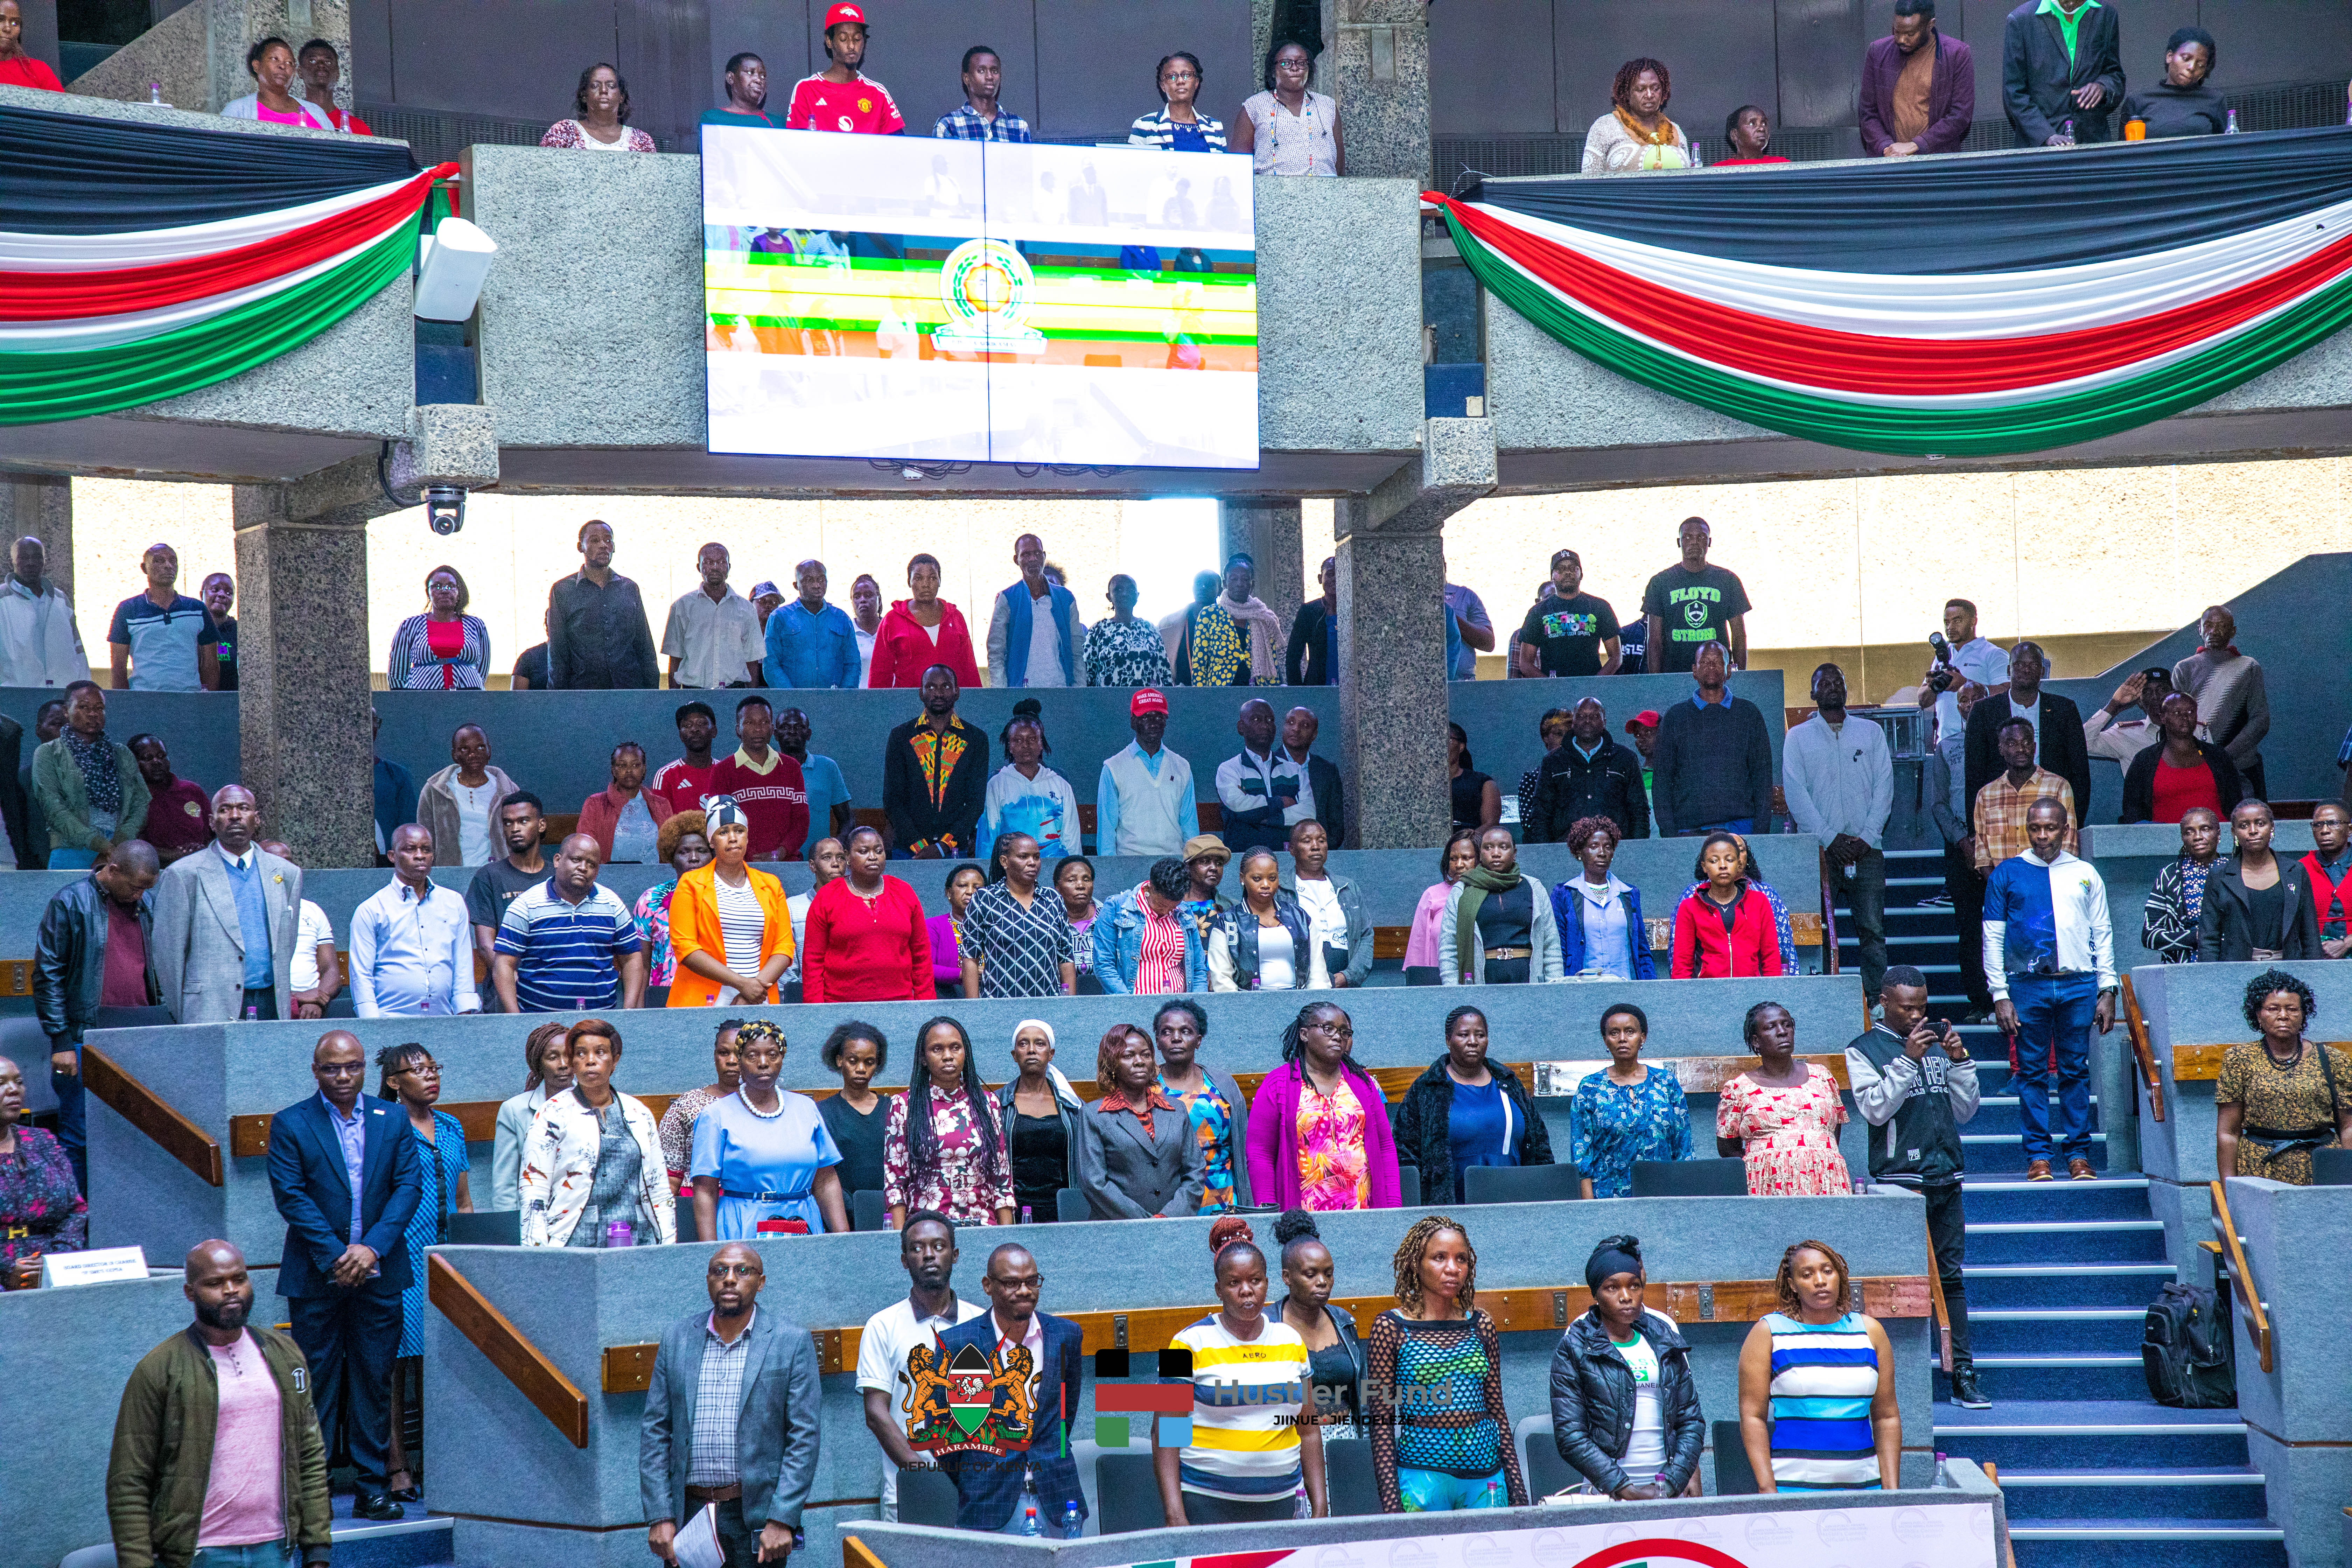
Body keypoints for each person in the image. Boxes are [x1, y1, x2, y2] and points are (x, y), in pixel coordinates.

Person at [266, 1032, 422, 1522]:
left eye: (352, 1066)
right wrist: (339, 1256)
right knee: (315, 1384)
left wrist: (371, 1248)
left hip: (380, 1270)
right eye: (332, 1068)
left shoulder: (392, 1116)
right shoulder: (292, 1122)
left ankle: (373, 1488)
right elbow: (291, 1196)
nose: (343, 1076)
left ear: (364, 1069)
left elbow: (408, 1186)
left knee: (375, 1381)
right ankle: (313, 1491)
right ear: (316, 1070)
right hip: (317, 1275)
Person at [106, 1239, 333, 1568]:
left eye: (239, 1279)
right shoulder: (159, 1368)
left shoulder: (285, 1355)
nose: (231, 1290)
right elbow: (129, 1481)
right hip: (199, 1553)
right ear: (190, 1293)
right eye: (215, 1283)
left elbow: (309, 1455)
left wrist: (318, 1548)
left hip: (275, 1548)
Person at [1846, 966, 1987, 1408]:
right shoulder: (1863, 1049)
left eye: (1922, 1007)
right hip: (1899, 1182)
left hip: (1947, 1175)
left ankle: (1963, 1373)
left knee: (1952, 1278)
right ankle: (1896, 1385)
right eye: (1907, 1008)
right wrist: (1908, 1060)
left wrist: (1960, 1061)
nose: (1916, 1015)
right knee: (1896, 1284)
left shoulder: (1938, 1043)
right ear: (1884, 1003)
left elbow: (1966, 1111)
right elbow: (1875, 1109)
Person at [639, 1243, 821, 1567]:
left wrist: (783, 1518)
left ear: (761, 1282)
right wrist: (660, 1515)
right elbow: (655, 1431)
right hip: (689, 1515)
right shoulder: (677, 1339)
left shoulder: (790, 1341)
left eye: (743, 1271)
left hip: (757, 1518)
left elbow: (804, 1438)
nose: (730, 1279)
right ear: (708, 1280)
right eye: (720, 1270)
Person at [1159, 1217, 1327, 1525]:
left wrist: (1321, 1507)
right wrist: (1175, 1514)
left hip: (1285, 1503)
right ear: (1219, 1290)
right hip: (1206, 1502)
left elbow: (1308, 1429)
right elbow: (1167, 1433)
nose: (1247, 1291)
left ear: (1268, 1283)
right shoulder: (1185, 1344)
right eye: (1234, 1283)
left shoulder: (1291, 1340)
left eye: (1256, 1280)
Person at [1984, 797, 2117, 1181]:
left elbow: (2102, 932)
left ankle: (2078, 1156)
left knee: (2075, 1070)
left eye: (2050, 828)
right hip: (2027, 986)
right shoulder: (2007, 874)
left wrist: (2108, 988)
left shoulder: (2086, 873)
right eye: (2035, 828)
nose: (2042, 836)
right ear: (2027, 829)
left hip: (2079, 984)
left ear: (2065, 829)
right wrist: (1999, 993)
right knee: (2031, 1073)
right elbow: (1992, 937)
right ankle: (2039, 1157)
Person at [1367, 1216, 1527, 1512]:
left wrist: (1517, 1488)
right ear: (1416, 1263)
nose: (1453, 1268)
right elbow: (1381, 1423)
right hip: (1421, 1479)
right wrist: (1391, 1505)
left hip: (1485, 1477)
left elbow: (1497, 1410)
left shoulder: (1481, 1324)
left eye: (1461, 1259)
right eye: (1439, 1258)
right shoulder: (1390, 1327)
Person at [932, 1242, 1088, 1532]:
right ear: (988, 1286)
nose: (1025, 1291)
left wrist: (1053, 1450)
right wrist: (976, 1473)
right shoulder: (957, 1344)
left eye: (1032, 1281)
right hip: (989, 1501)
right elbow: (942, 1433)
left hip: (1059, 1497)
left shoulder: (1066, 1335)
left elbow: (1066, 1414)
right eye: (1012, 1283)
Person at [33, 838, 159, 1189]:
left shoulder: (147, 903)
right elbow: (48, 974)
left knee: (137, 1138)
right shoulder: (70, 902)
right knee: (80, 1136)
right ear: (112, 870)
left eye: (147, 889)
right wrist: (60, 1041)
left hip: (140, 1031)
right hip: (82, 1037)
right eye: (135, 887)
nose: (140, 895)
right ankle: (77, 1216)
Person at [373, 1044, 468, 1500]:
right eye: (419, 1070)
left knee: (438, 1364)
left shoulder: (451, 1127)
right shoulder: (384, 1128)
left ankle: (440, 1462)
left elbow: (464, 1200)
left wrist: (469, 1256)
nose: (431, 1076)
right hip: (400, 1257)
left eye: (434, 1068)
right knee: (395, 1366)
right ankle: (397, 1466)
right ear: (394, 1082)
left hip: (446, 1257)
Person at [1549, 1235, 1705, 1499]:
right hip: (1607, 1493)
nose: (1626, 1297)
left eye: (1634, 1286)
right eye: (1612, 1288)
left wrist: (1671, 1483)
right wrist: (1625, 1489)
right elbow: (1571, 1434)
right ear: (1596, 1293)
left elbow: (1690, 1419)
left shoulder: (1663, 1336)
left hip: (1667, 1490)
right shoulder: (1576, 1345)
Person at [1738, 1240, 1900, 1492]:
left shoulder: (1870, 1331)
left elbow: (1886, 1418)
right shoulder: (1769, 1333)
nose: (1820, 1281)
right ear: (1792, 1285)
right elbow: (1753, 1417)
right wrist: (1768, 1490)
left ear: (1840, 1276)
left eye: (1828, 1271)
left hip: (1865, 1491)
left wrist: (1891, 1494)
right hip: (1792, 1492)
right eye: (1807, 1275)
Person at [858, 1213, 982, 1520]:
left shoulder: (982, 1322)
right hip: (911, 1493)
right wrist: (925, 1476)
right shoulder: (882, 1326)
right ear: (904, 1261)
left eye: (939, 1246)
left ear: (955, 1255)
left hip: (979, 1491)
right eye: (917, 1248)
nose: (929, 1255)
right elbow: (876, 1415)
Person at [1783, 663, 1894, 996]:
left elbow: (1885, 787)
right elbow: (1796, 794)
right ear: (1813, 693)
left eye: (1838, 682)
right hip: (1820, 852)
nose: (1832, 687)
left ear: (1846, 690)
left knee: (1872, 931)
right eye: (1824, 683)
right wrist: (1830, 839)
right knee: (1818, 930)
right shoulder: (1798, 737)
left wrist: (1867, 837)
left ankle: (1876, 1000)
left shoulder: (1871, 733)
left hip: (1867, 850)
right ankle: (1823, 998)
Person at [149, 787, 299, 1023]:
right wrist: (183, 1013)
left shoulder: (286, 873)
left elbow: (287, 943)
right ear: (212, 822)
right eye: (225, 810)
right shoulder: (184, 874)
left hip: (271, 1001)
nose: (235, 816)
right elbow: (169, 954)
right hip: (209, 1006)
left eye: (243, 808)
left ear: (257, 819)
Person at [519, 1018, 674, 1247]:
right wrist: (538, 1254)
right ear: (572, 1062)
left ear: (615, 1060)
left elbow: (659, 1186)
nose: (590, 1061)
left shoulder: (639, 1113)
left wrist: (668, 1244)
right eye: (581, 1054)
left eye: (600, 1053)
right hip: (572, 1241)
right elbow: (534, 1189)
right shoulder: (552, 1113)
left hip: (639, 1239)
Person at [688, 1020, 847, 1241]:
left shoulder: (806, 1107)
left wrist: (843, 1240)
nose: (763, 1063)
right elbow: (705, 1190)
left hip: (804, 1222)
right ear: (739, 1061)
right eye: (752, 1056)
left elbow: (826, 1179)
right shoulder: (715, 1116)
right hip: (744, 1225)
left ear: (782, 1058)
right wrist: (710, 1250)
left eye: (773, 1055)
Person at [1246, 1002, 1402, 1211]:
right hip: (1301, 1216)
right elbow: (1260, 1155)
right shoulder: (1277, 1084)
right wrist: (1268, 1212)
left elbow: (1386, 1148)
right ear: (1304, 1034)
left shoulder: (1363, 1084)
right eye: (1328, 1029)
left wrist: (1393, 1209)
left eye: (1344, 1032)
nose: (1338, 1037)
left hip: (1364, 1212)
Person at [1395, 1006, 1552, 1205]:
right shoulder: (1428, 1089)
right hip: (1450, 1209)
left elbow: (1540, 1146)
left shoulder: (1509, 1084)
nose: (1473, 1042)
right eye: (1464, 1035)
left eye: (1480, 1035)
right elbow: (1405, 1154)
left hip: (1515, 1202)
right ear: (1448, 1040)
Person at [2216, 969, 2352, 1186]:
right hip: (2260, 1169)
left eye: (2292, 1009)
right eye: (2273, 1009)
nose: (2283, 1016)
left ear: (2304, 1015)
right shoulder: (2239, 1059)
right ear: (2259, 1015)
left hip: (2322, 1167)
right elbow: (2228, 1133)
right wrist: (2229, 1190)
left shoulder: (2334, 1060)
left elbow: (2348, 1128)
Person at [492, 834, 648, 1013]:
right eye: (576, 860)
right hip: (539, 1020)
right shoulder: (526, 905)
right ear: (557, 861)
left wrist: (628, 1013)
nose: (583, 868)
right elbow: (504, 965)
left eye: (592, 864)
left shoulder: (612, 905)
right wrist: (515, 1018)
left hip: (600, 1021)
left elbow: (632, 959)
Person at [884, 1016, 1015, 1227]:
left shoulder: (988, 1103)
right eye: (937, 1049)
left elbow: (1002, 1181)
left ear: (966, 1053)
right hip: (927, 1230)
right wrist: (900, 1241)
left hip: (982, 1226)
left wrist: (1005, 1237)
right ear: (923, 1058)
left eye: (956, 1048)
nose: (948, 1056)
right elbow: (895, 1184)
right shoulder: (903, 1105)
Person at [666, 796, 794, 1008]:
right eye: (723, 832)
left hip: (758, 998)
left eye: (739, 830)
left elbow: (784, 946)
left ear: (747, 837)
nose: (733, 838)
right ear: (711, 841)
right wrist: (743, 985)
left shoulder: (771, 884)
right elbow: (686, 948)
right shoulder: (690, 883)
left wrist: (752, 991)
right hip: (703, 1000)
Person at [1716, 1002, 1849, 1194]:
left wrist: (1813, 1156)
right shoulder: (1738, 1088)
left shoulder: (1823, 1077)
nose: (1782, 1032)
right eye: (1771, 1027)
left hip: (1827, 1181)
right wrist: (1768, 1163)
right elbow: (1727, 1149)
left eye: (1787, 1025)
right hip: (1767, 1187)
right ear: (1756, 1041)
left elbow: (1833, 1131)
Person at [1077, 1024, 1208, 1219]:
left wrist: (1167, 1217)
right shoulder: (1093, 1115)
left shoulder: (1177, 1110)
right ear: (1112, 1064)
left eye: (1146, 1055)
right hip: (1118, 1228)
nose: (1139, 1062)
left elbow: (1195, 1172)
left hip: (1174, 1225)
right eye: (1128, 1056)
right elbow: (1094, 1184)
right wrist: (1144, 1223)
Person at [349, 824, 480, 1018]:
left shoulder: (453, 902)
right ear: (392, 856)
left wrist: (464, 1014)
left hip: (444, 1018)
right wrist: (372, 1025)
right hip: (390, 1020)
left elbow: (462, 963)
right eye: (410, 849)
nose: (420, 856)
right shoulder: (372, 909)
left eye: (426, 850)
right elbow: (361, 975)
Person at [1652, 642, 1773, 838]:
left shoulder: (1749, 714)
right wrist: (1671, 835)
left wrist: (1760, 833)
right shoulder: (1675, 717)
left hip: (1742, 829)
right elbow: (1662, 782)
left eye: (1717, 662)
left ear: (1729, 670)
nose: (1711, 666)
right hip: (1688, 831)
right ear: (1694, 671)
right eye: (1705, 662)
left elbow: (1763, 778)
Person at [1570, 1005, 1691, 1199]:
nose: (1622, 1039)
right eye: (1614, 1033)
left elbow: (1684, 1148)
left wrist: (1684, 1202)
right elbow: (1581, 1155)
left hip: (1663, 1198)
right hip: (1607, 1200)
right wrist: (1589, 1208)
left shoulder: (1666, 1083)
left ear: (1643, 1038)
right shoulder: (1590, 1088)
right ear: (1606, 1040)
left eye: (1630, 1032)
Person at [801, 826, 930, 1002]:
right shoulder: (827, 896)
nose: (873, 857)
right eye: (864, 852)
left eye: (879, 851)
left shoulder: (904, 892)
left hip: (901, 1004)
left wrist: (927, 1006)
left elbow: (922, 955)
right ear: (848, 857)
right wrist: (815, 1010)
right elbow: (813, 961)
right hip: (840, 1006)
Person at [34, 682, 147, 868]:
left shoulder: (122, 754)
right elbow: (53, 807)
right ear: (67, 711)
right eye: (84, 707)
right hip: (72, 848)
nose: (93, 714)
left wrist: (121, 839)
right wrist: (99, 844)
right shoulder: (49, 753)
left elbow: (141, 801)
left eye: (99, 708)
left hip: (119, 848)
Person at [882, 666, 987, 860]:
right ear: (921, 693)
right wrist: (921, 847)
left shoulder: (976, 739)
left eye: (946, 686)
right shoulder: (901, 737)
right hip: (908, 851)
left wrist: (942, 848)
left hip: (954, 851)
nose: (938, 693)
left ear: (957, 692)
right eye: (930, 687)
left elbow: (976, 804)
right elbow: (892, 800)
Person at [2198, 799, 2320, 964]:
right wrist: (2210, 976)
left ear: (2272, 827)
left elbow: (2310, 934)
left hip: (2289, 970)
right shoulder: (2219, 876)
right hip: (2236, 972)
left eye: (2260, 824)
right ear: (2234, 832)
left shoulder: (2296, 871)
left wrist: (2315, 973)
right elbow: (2209, 939)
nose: (2253, 831)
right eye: (2244, 826)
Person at [0, 1052, 85, 1287]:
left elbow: (75, 1210)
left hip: (51, 1274)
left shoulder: (42, 1141)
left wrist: (57, 1263)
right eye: (1, 1083)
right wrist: (6, 1271)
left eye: (19, 1082)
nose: (13, 1090)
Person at [959, 833, 1078, 1000]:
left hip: (1049, 1003)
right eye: (1023, 857)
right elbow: (971, 958)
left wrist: (1071, 1006)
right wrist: (975, 1008)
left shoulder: (1053, 899)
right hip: (998, 1004)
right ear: (1004, 862)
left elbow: (1065, 957)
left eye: (1037, 857)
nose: (1032, 863)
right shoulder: (985, 899)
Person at [1440, 825, 1563, 985]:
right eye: (1488, 848)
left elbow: (1551, 945)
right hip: (1481, 984)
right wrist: (1452, 990)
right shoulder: (1462, 891)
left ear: (1514, 853)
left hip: (1530, 981)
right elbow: (1449, 948)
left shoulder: (1534, 888)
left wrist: (1555, 988)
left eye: (1504, 847)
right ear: (1480, 854)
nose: (1496, 853)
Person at [548, 519, 658, 689]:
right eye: (594, 541)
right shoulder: (563, 590)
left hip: (630, 689)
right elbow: (558, 651)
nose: (603, 545)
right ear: (580, 547)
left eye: (608, 540)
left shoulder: (629, 588)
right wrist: (558, 697)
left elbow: (644, 644)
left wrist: (653, 691)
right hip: (584, 691)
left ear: (614, 547)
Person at [2172, 606, 2270, 798]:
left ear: (2233, 631)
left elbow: (2261, 720)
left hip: (2243, 765)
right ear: (2200, 630)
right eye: (2209, 625)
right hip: (2198, 765)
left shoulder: (2249, 667)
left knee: (2249, 815)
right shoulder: (2184, 669)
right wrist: (2199, 757)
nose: (2215, 631)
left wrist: (2225, 756)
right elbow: (2176, 721)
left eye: (2222, 626)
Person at [1861, 0, 1976, 156]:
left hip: (1937, 159)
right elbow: (1868, 113)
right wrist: (1888, 148)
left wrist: (1917, 145)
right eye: (1897, 32)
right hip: (1888, 160)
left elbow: (1960, 115)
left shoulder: (1957, 54)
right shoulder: (1878, 52)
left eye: (1910, 34)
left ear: (1930, 25)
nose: (1901, 40)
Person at [2002, 0, 2124, 146]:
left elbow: (2115, 74)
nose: (2071, 3)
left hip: (2093, 142)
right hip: (2040, 148)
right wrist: (2047, 135)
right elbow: (2014, 93)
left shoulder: (2106, 14)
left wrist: (2103, 86)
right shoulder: (2021, 20)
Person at [993, 1020, 1080, 1223]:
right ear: (1015, 1055)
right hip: (1012, 1211)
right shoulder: (997, 1103)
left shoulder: (1071, 1105)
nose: (1031, 1050)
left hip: (1064, 1212)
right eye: (1023, 1044)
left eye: (1040, 1044)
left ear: (1051, 1054)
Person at [1529, 698, 1649, 844]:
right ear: (1573, 723)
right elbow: (1541, 814)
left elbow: (1639, 811)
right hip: (1565, 849)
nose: (1587, 721)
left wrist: (1635, 850)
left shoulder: (1625, 759)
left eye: (1595, 716)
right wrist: (1546, 852)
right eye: (1581, 716)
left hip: (1615, 850)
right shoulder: (1553, 761)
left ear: (1604, 722)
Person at [1098, 688, 1199, 858]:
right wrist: (1111, 868)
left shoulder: (1182, 767)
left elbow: (1190, 826)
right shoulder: (1113, 768)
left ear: (1166, 722)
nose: (1153, 723)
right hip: (1129, 861)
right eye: (1145, 717)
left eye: (1159, 717)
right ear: (1133, 722)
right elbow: (1106, 832)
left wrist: (1192, 862)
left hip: (1174, 861)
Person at [1209, 848, 1329, 991]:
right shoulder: (1228, 922)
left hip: (1301, 999)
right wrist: (1242, 1005)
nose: (1266, 885)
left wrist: (1315, 1001)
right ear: (1242, 878)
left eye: (1272, 878)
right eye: (1257, 879)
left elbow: (1318, 973)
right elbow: (1222, 979)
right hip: (1248, 1001)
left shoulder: (1300, 917)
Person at [466, 791, 551, 992]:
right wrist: (512, 979)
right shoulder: (488, 876)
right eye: (508, 823)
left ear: (541, 825)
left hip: (552, 987)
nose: (515, 829)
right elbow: (486, 945)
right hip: (505, 989)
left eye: (523, 821)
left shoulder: (557, 876)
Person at [709, 695, 811, 863]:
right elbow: (721, 824)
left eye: (764, 722)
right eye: (750, 723)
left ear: (772, 728)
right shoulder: (723, 771)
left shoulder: (791, 767)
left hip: (787, 863)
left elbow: (801, 821)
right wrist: (750, 857)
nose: (758, 729)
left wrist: (780, 853)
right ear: (738, 729)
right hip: (741, 865)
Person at [1973, 716, 2080, 873]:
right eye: (2012, 744)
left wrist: (2045, 883)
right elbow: (1983, 857)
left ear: (2035, 747)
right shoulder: (1986, 795)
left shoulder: (2058, 787)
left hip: (2048, 882)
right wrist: (2000, 885)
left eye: (2027, 743)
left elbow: (2069, 847)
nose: (2021, 749)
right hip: (2003, 885)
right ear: (2001, 749)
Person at [977, 702, 1080, 862]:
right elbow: (988, 840)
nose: (1025, 746)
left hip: (1056, 869)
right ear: (1010, 746)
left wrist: (1073, 869)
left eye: (1032, 739)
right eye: (1018, 740)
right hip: (1011, 871)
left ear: (1041, 744)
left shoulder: (1060, 785)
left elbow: (1072, 840)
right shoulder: (997, 785)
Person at [1641, 517, 1746, 674]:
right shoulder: (1660, 583)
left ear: (1710, 542)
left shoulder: (1728, 580)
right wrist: (1656, 680)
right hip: (1673, 673)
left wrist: (1742, 676)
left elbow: (1739, 635)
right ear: (1679, 542)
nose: (1694, 543)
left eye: (1701, 537)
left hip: (1716, 675)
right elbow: (1654, 640)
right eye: (1688, 538)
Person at [1555, 817, 1654, 981]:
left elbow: (1642, 950)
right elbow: (1560, 951)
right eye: (1594, 847)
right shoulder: (1565, 893)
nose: (1602, 853)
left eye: (1608, 847)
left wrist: (1650, 986)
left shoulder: (1629, 894)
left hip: (1626, 985)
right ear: (1579, 852)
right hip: (1581, 987)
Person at [653, 1020, 744, 1196]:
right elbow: (669, 1178)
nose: (732, 1061)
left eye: (739, 1053)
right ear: (715, 1056)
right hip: (694, 1200)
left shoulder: (763, 1105)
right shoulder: (687, 1104)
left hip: (749, 1200)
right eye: (724, 1053)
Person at [2121, 693, 2242, 824]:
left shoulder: (2218, 756)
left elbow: (2236, 803)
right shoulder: (2145, 760)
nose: (2185, 717)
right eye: (2177, 713)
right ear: (2163, 718)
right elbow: (2133, 810)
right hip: (2165, 835)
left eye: (2191, 712)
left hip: (2215, 834)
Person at [785, 3, 905, 134]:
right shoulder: (806, 90)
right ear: (829, 41)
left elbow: (899, 144)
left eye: (857, 38)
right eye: (844, 39)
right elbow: (796, 144)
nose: (852, 46)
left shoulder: (878, 94)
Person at [658, 541, 763, 690]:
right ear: (699, 567)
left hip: (735, 691)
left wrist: (751, 697)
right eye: (708, 562)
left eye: (721, 562)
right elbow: (675, 658)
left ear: (729, 567)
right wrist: (675, 697)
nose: (715, 567)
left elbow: (752, 659)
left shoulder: (746, 609)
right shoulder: (682, 607)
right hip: (693, 692)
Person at [868, 554, 981, 690]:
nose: (926, 585)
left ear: (940, 581)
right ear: (909, 581)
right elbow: (880, 674)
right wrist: (876, 702)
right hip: (907, 701)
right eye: (919, 578)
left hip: (951, 702)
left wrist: (976, 699)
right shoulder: (892, 620)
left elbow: (969, 669)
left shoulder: (955, 617)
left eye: (933, 578)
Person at [417, 725, 524, 870]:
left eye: (480, 748)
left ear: (489, 751)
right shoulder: (435, 790)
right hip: (451, 873)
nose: (473, 754)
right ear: (454, 755)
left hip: (498, 873)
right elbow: (424, 840)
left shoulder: (508, 791)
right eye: (464, 749)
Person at [633, 811, 712, 1004]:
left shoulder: (726, 895)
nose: (694, 858)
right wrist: (638, 1012)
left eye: (702, 851)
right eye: (684, 852)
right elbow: (642, 966)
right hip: (664, 997)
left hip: (715, 993)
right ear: (672, 857)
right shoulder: (651, 900)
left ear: (713, 854)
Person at [984, 534, 1081, 689]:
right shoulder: (1007, 599)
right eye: (1026, 555)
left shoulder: (1066, 599)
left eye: (1037, 553)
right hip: (1021, 692)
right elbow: (996, 653)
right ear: (1017, 560)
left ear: (1044, 556)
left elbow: (1077, 650)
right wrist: (1001, 693)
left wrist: (1079, 689)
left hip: (1061, 689)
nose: (1033, 559)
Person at [491, 1024, 572, 1212]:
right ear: (539, 1064)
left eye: (569, 1055)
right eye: (553, 1057)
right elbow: (505, 1186)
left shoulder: (592, 1103)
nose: (563, 1064)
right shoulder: (515, 1110)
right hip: (535, 1215)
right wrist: (509, 1227)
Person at [1233, 39, 1340, 175]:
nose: (1295, 68)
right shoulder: (1254, 106)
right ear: (1274, 71)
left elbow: (1340, 168)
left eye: (1301, 63)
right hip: (1271, 188)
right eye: (1286, 63)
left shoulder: (1328, 106)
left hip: (1324, 188)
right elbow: (1238, 167)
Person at [812, 1021, 889, 1205]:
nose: (861, 1069)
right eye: (853, 1061)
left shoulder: (894, 1108)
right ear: (840, 1061)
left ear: (877, 1064)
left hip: (889, 1208)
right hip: (841, 1209)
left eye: (869, 1062)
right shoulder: (821, 1112)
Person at [1216, 698, 1304, 855]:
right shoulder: (1229, 769)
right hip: (1244, 858)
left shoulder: (1295, 770)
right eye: (1256, 720)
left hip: (1288, 857)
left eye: (1270, 720)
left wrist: (1265, 819)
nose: (1265, 726)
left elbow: (1307, 814)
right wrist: (1281, 802)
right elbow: (1239, 809)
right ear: (1241, 727)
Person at [1515, 550, 1620, 679]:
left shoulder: (1600, 607)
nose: (1567, 572)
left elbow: (1616, 657)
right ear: (1552, 577)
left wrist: (1594, 684)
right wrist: (1550, 686)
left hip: (1591, 687)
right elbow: (1525, 663)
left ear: (1581, 574)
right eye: (1561, 569)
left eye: (1572, 568)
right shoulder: (1538, 612)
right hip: (1552, 688)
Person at [0, 534, 87, 689]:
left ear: (44, 561)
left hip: (61, 691)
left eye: (37, 557)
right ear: (12, 561)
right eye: (24, 558)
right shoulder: (2, 600)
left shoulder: (60, 599)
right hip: (16, 692)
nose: (31, 563)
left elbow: (78, 647)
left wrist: (84, 685)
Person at [1583, 57, 1699, 172]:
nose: (1649, 95)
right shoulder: (1605, 126)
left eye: (1656, 89)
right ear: (1627, 93)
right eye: (1640, 89)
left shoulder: (1675, 130)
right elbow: (1589, 178)